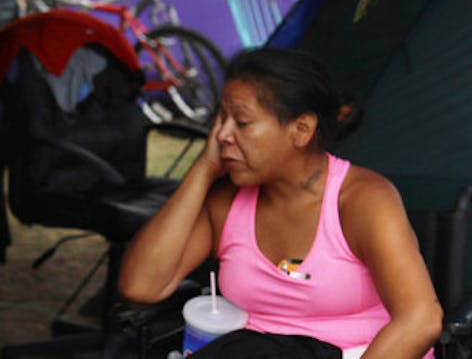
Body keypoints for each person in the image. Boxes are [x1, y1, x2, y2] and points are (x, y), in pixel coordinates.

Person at [118, 48, 442, 358]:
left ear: (301, 130)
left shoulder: (362, 200)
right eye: (221, 119)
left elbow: (420, 319)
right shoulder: (227, 203)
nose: (222, 135)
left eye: (241, 122)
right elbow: (142, 286)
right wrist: (203, 169)